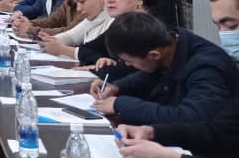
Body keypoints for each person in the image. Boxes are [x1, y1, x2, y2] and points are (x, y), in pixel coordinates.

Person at [111, 0, 239, 158]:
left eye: (231, 25)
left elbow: (199, 120)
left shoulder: (208, 65)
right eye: (219, 26)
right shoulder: (176, 43)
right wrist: (152, 132)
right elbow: (221, 129)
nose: (224, 35)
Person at [88, 11, 239, 125]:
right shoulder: (171, 43)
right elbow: (153, 73)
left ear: (154, 55)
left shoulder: (207, 68)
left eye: (129, 61)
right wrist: (116, 87)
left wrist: (120, 104)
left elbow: (191, 118)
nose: (127, 65)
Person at [38, 0, 112, 65]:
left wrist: (62, 49)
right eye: (76, 3)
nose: (78, 9)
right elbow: (71, 37)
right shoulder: (93, 18)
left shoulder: (113, 21)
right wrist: (50, 41)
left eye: (82, 1)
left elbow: (94, 53)